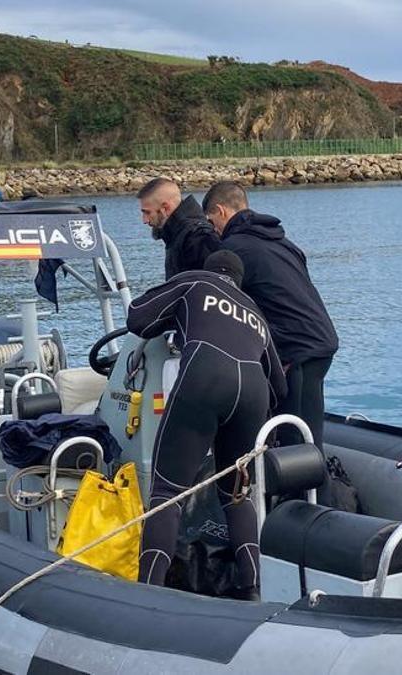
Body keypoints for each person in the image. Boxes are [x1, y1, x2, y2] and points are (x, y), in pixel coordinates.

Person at [126, 250, 286, 599]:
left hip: (205, 374)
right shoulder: (255, 312)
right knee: (235, 494)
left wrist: (174, 318)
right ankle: (252, 589)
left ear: (210, 269)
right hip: (253, 392)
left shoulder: (196, 281)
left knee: (167, 495)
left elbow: (137, 316)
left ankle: (146, 595)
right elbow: (279, 385)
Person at [202, 181, 338, 450]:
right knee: (309, 430)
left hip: (296, 350)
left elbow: (224, 305)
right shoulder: (282, 242)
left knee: (295, 440)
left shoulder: (234, 250)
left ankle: (309, 491)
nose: (212, 229)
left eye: (211, 221)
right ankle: (311, 488)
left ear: (221, 211)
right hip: (320, 342)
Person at [136, 177, 221, 279]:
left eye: (148, 212)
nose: (145, 220)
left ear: (166, 208)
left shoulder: (198, 237)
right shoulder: (177, 235)